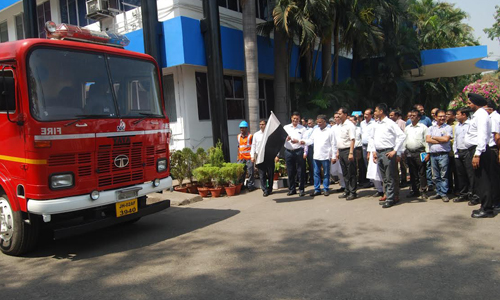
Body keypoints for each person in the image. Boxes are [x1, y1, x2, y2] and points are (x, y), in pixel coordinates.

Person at [464, 93, 497, 218]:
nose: (468, 105)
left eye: (469, 103)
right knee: (480, 180)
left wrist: (477, 154)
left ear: (475, 103)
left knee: (483, 181)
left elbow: (482, 136)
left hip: (480, 151)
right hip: (477, 150)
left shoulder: (482, 115)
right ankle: (485, 206)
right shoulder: (478, 115)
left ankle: (487, 209)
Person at [368, 103, 406, 208]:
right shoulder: (376, 124)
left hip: (388, 152)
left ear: (381, 111)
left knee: (390, 176)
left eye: (375, 111)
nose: (374, 113)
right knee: (384, 177)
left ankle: (391, 198)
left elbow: (401, 136)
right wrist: (373, 151)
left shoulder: (390, 123)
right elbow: (372, 138)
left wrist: (395, 150)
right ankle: (388, 195)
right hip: (379, 152)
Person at [302, 115, 337, 196]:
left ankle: (326, 188)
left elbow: (333, 144)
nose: (318, 124)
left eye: (320, 122)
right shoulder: (316, 130)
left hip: (325, 156)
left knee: (325, 173)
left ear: (325, 122)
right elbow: (310, 140)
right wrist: (304, 142)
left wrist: (334, 156)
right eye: (317, 122)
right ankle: (317, 189)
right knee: (316, 173)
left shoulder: (330, 131)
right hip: (316, 156)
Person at [426, 110, 453, 202]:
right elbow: (428, 140)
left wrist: (434, 137)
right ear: (435, 117)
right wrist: (440, 139)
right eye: (440, 116)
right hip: (434, 154)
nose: (442, 118)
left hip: (443, 154)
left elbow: (446, 139)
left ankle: (444, 193)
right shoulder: (431, 128)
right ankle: (438, 192)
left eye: (444, 116)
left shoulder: (448, 128)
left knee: (444, 175)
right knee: (436, 175)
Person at [404, 109, 429, 199]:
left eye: (414, 115)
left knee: (422, 172)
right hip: (410, 152)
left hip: (420, 152)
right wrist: (403, 151)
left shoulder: (423, 127)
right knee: (412, 172)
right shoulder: (407, 128)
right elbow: (404, 140)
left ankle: (423, 190)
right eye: (411, 115)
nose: (411, 117)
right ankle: (415, 190)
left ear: (418, 117)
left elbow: (427, 141)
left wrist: (428, 153)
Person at [282, 111, 307, 197]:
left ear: (299, 119)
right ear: (291, 118)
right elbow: (282, 138)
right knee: (290, 171)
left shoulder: (303, 129)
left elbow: (305, 141)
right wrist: (286, 138)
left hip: (298, 151)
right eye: (294, 118)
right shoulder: (286, 127)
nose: (295, 120)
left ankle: (301, 189)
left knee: (300, 171)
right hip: (288, 151)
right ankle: (292, 189)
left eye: (297, 119)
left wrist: (298, 141)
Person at [453, 108, 474, 203]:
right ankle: (463, 194)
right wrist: (455, 151)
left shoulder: (470, 124)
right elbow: (455, 139)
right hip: (459, 152)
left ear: (464, 115)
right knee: (460, 174)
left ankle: (473, 194)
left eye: (457, 114)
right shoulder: (457, 126)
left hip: (468, 151)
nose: (456, 116)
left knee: (470, 174)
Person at [337, 108, 357, 200]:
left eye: (340, 114)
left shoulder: (350, 125)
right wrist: (337, 152)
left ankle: (353, 192)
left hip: (348, 150)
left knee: (351, 172)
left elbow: (352, 139)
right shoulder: (340, 125)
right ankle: (347, 190)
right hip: (341, 151)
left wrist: (351, 153)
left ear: (345, 114)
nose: (338, 116)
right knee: (344, 172)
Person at [251, 119, 273, 196]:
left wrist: (276, 155)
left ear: (266, 125)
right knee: (262, 174)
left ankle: (270, 188)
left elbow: (274, 145)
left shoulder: (270, 134)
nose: (261, 126)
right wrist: (252, 156)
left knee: (270, 173)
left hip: (268, 155)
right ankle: (264, 190)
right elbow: (253, 145)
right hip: (259, 156)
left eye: (263, 124)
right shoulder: (256, 135)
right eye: (260, 124)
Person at [390, 109, 408, 187]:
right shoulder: (390, 123)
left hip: (401, 146)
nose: (390, 117)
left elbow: (404, 135)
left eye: (392, 115)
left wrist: (403, 148)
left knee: (402, 164)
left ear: (397, 116)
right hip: (394, 147)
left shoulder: (401, 122)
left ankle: (404, 180)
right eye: (389, 115)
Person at [237, 121, 255, 191]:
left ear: (246, 128)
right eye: (241, 128)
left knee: (250, 172)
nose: (242, 129)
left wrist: (253, 156)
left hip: (249, 158)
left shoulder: (250, 136)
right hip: (241, 158)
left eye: (243, 128)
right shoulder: (238, 137)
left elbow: (253, 147)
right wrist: (238, 156)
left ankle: (250, 186)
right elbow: (238, 147)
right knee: (241, 173)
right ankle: (241, 185)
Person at [360, 108, 375, 185]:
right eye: (364, 114)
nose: (365, 116)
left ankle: (374, 181)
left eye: (367, 114)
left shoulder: (374, 123)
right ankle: (370, 180)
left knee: (372, 162)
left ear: (371, 115)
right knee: (366, 163)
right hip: (364, 145)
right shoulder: (362, 123)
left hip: (371, 146)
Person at [304, 118, 316, 185]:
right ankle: (311, 179)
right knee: (310, 164)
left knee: (314, 164)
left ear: (313, 123)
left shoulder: (316, 129)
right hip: (309, 147)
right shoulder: (306, 130)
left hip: (315, 147)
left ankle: (315, 179)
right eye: (308, 123)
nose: (309, 124)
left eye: (310, 123)